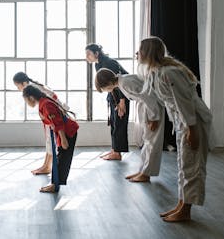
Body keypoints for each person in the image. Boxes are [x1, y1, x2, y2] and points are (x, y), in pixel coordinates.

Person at [138, 36, 214, 222]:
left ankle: (186, 211)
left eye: (139, 50)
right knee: (183, 164)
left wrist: (192, 129)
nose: (137, 53)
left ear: (148, 52)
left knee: (191, 166)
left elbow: (184, 102)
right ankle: (181, 204)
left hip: (193, 122)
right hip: (183, 123)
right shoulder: (156, 72)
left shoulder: (169, 73)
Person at [95, 68, 165, 183]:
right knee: (146, 141)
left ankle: (146, 173)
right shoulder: (122, 83)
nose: (106, 91)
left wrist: (154, 118)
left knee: (152, 142)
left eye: (103, 89)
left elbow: (149, 97)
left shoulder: (126, 82)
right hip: (147, 108)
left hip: (153, 108)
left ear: (107, 83)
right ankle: (142, 170)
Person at [22, 85, 79, 193]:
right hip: (64, 131)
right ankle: (55, 183)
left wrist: (63, 139)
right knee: (61, 157)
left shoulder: (46, 104)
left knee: (62, 159)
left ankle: (55, 185)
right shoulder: (44, 102)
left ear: (31, 97)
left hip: (67, 131)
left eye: (26, 100)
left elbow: (58, 122)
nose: (27, 103)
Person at [13, 72, 68, 175]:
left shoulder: (31, 88)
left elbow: (50, 100)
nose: (18, 89)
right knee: (49, 141)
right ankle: (45, 165)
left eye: (18, 86)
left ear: (24, 83)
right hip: (51, 114)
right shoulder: (34, 87)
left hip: (53, 115)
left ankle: (47, 167)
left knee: (50, 141)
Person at [85, 43, 130, 160]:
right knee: (114, 123)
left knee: (119, 124)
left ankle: (117, 153)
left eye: (88, 54)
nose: (87, 57)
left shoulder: (109, 62)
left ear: (96, 53)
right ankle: (114, 150)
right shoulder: (97, 65)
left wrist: (121, 101)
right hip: (113, 95)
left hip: (122, 95)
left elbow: (118, 82)